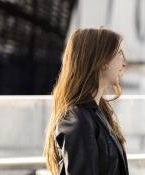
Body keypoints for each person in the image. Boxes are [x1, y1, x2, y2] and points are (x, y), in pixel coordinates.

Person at [43, 28, 128, 175]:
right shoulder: (77, 119)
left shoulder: (98, 114)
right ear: (102, 61)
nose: (124, 63)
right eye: (119, 53)